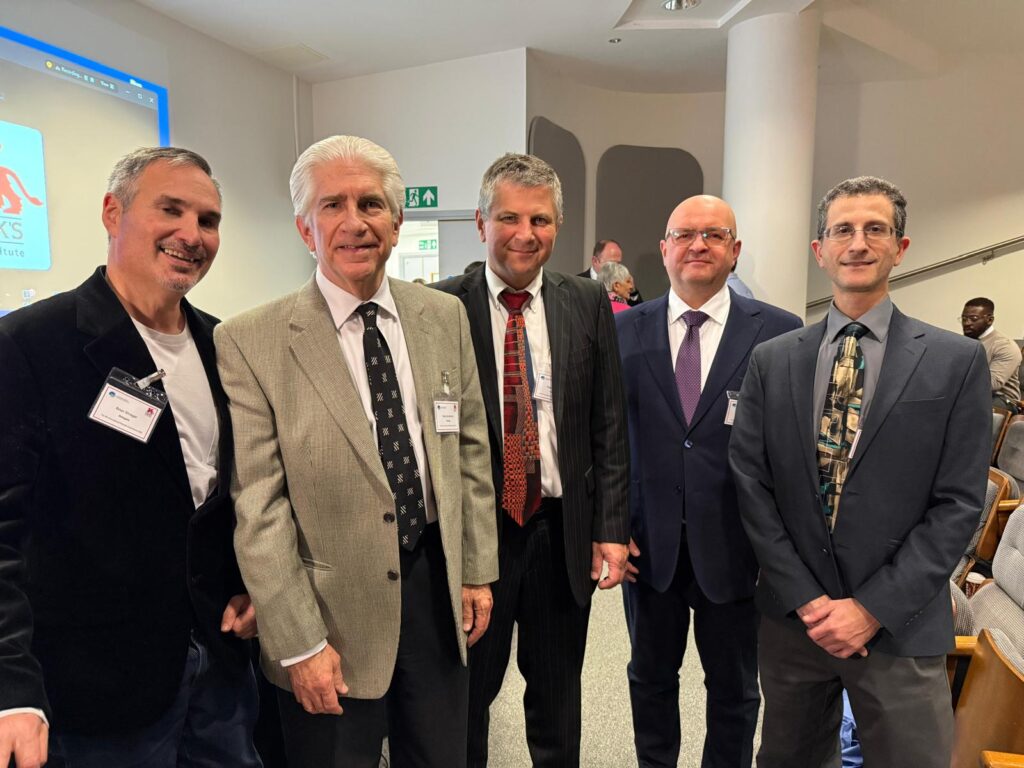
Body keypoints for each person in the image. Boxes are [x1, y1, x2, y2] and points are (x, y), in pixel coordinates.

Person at [215, 135, 498, 768]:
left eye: (370, 204)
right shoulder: (251, 341)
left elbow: (470, 453)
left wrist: (476, 569)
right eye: (332, 205)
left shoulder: (444, 316)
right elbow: (259, 508)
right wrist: (299, 643)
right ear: (304, 229)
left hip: (435, 588)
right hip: (328, 612)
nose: (354, 222)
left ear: (396, 223)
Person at [0, 147, 261, 768]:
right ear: (112, 213)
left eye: (208, 220)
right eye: (170, 210)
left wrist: (253, 584)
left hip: (220, 672)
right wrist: (11, 686)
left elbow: (225, 494)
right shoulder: (30, 345)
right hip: (98, 688)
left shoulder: (224, 345)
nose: (191, 234)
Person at [730, 176, 990, 768]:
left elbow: (958, 503)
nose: (858, 243)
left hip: (900, 624)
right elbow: (752, 485)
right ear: (819, 250)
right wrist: (807, 599)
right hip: (796, 624)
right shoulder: (773, 360)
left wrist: (870, 608)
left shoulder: (956, 361)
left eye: (876, 229)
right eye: (842, 230)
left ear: (900, 248)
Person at [434, 153, 630, 768]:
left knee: (557, 696)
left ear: (558, 225)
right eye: (509, 218)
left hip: (558, 530)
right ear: (481, 222)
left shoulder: (587, 301)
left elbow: (608, 422)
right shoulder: (441, 307)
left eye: (540, 220)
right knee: (468, 697)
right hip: (477, 538)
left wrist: (611, 529)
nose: (525, 233)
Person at [615, 195, 800, 767]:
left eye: (714, 235)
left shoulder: (780, 332)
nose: (699, 245)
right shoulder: (621, 330)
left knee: (735, 690)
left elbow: (788, 453)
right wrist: (611, 529)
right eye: (685, 235)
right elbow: (606, 440)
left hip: (738, 549)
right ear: (664, 248)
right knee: (650, 678)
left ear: (734, 250)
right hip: (648, 548)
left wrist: (777, 547)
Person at [960, 296, 1021, 413]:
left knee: (964, 406)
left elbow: (992, 384)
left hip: (1001, 399)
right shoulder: (962, 343)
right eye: (964, 318)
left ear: (990, 320)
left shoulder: (1005, 346)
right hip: (968, 393)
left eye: (973, 319)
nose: (967, 323)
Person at [580, 238, 643, 305]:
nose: (616, 267)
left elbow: (639, 309)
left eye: (618, 263)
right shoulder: (578, 284)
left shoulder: (624, 283)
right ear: (595, 261)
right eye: (611, 263)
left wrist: (632, 291)